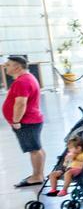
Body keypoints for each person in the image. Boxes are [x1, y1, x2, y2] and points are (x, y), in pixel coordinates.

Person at [4, 55, 46, 188]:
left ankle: (37, 176)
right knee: (37, 148)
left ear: (17, 67)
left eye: (9, 64)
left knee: (34, 149)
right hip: (31, 120)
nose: (6, 66)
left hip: (27, 121)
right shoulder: (27, 78)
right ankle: (38, 174)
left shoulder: (22, 81)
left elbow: (21, 103)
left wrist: (16, 120)